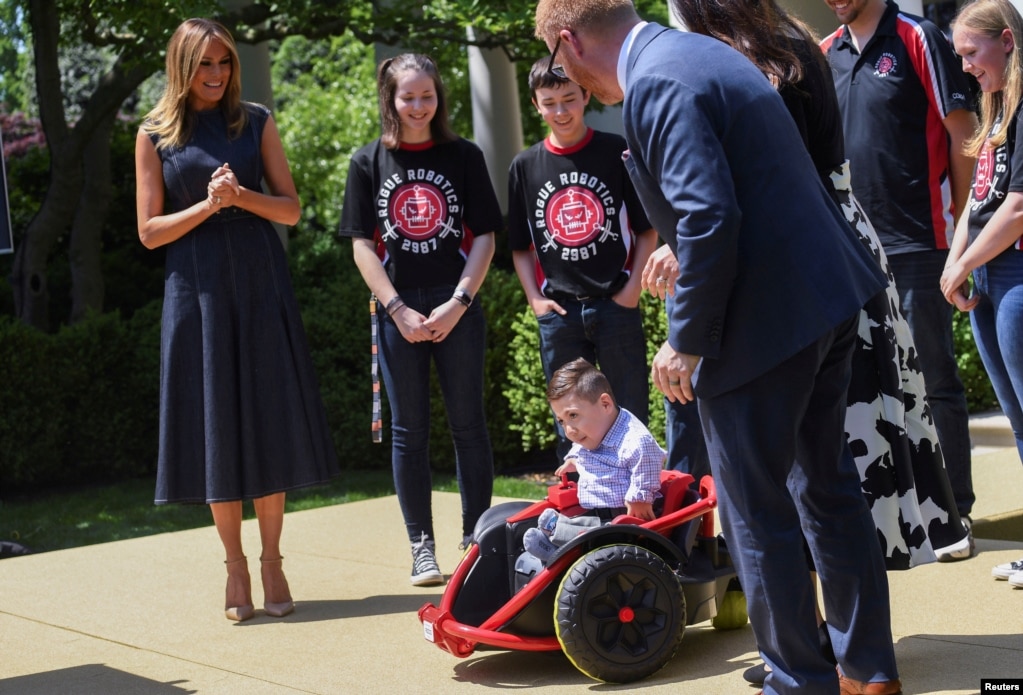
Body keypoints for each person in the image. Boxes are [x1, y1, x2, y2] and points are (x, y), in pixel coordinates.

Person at [533, 2, 902, 694]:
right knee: (827, 490)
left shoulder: (658, 82)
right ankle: (868, 672)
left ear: (567, 42)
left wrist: (685, 339)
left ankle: (801, 681)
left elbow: (707, 215)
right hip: (820, 300)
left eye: (559, 65)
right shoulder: (697, 55)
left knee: (754, 513)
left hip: (761, 326)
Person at [667, 0, 973, 684]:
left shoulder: (738, 63)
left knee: (793, 484)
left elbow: (735, 195)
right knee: (829, 477)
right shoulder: (802, 46)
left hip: (792, 272)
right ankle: (859, 658)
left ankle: (809, 655)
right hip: (842, 256)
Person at [135, 18, 339, 622]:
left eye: (224, 63)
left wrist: (242, 197)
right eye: (205, 65)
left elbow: (293, 209)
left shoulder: (255, 121)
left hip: (258, 283)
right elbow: (148, 233)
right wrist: (208, 203)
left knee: (267, 420)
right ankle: (235, 568)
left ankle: (273, 561)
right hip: (194, 292)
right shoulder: (154, 134)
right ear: (183, 67)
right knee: (215, 427)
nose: (217, 74)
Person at [821, 0, 980, 555]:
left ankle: (953, 514)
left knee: (932, 379)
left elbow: (963, 131)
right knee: (865, 387)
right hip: (851, 248)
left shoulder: (918, 36)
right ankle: (897, 519)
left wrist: (963, 227)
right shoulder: (825, 53)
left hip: (920, 240)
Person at [338, 54, 501, 587]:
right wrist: (397, 308)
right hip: (398, 309)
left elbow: (485, 238)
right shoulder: (367, 162)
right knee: (409, 433)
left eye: (426, 95)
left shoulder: (464, 155)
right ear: (390, 100)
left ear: (439, 98)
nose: (417, 106)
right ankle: (421, 548)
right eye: (407, 97)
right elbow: (362, 246)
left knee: (468, 425)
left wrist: (459, 303)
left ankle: (479, 539)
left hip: (456, 304)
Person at [507, 58, 658, 462]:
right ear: (536, 105)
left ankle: (633, 511)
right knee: (569, 423)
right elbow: (519, 246)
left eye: (569, 99)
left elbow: (648, 229)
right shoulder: (524, 166)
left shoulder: (616, 152)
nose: (560, 111)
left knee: (629, 414)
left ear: (586, 95)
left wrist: (632, 289)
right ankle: (579, 510)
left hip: (615, 305)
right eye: (549, 102)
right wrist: (535, 302)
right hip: (560, 314)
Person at [943, 0, 1023, 588]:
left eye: (973, 53)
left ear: (1007, 42)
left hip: (1016, 278)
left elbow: (1018, 208)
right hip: (991, 279)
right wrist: (957, 261)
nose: (966, 66)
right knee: (1018, 421)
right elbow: (981, 196)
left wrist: (963, 262)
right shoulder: (996, 111)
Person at [522, 358, 665, 562]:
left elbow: (648, 459)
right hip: (598, 513)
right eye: (561, 421)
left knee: (595, 535)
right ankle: (558, 533)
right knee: (584, 525)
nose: (569, 430)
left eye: (573, 415)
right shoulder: (593, 432)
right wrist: (573, 460)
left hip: (623, 522)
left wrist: (639, 497)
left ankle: (558, 552)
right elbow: (580, 447)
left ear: (605, 404)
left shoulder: (634, 439)